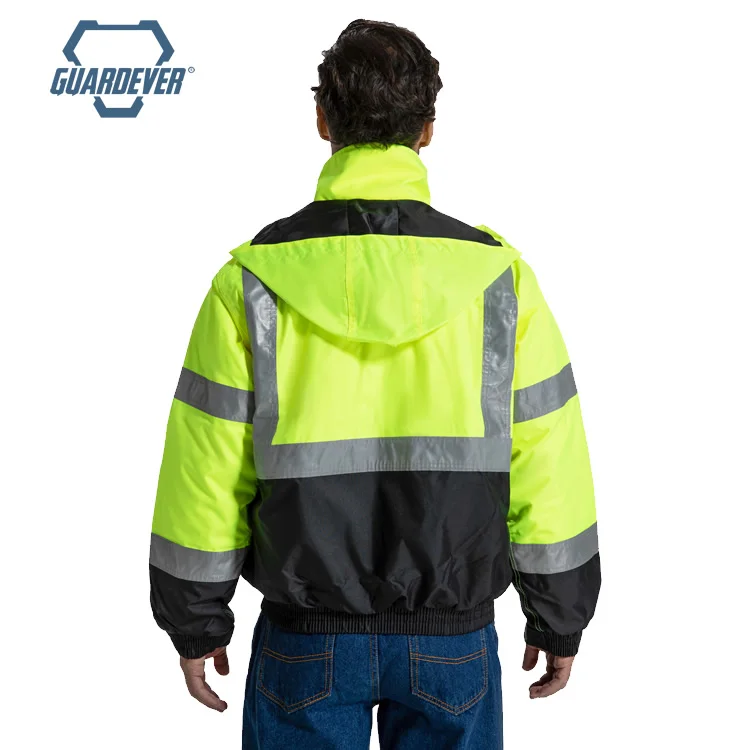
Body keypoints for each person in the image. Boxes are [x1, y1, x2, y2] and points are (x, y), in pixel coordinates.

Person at [148, 18, 601, 749]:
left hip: (305, 641)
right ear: (427, 130)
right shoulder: (501, 281)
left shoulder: (251, 283)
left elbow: (204, 469)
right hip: (452, 643)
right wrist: (560, 613)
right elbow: (550, 458)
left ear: (322, 121)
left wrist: (195, 621)